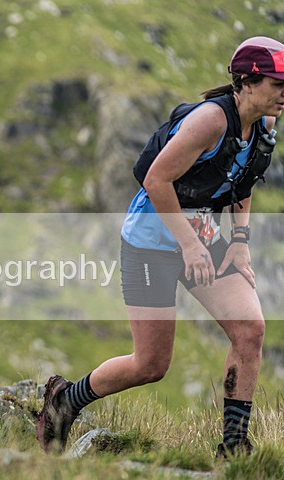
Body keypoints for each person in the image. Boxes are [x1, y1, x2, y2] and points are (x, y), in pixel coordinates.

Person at [36, 36, 283, 458]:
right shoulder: (210, 122)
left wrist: (239, 242)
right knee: (150, 365)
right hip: (151, 241)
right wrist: (189, 247)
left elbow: (245, 180)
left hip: (200, 238)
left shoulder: (264, 124)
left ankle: (234, 447)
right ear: (246, 81)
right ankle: (64, 400)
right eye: (278, 83)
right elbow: (155, 179)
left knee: (250, 328)